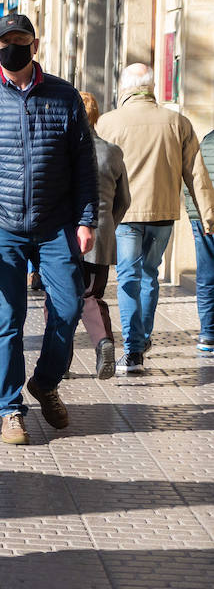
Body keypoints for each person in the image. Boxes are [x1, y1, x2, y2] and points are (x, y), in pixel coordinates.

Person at [0, 12, 97, 445]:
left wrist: (86, 219)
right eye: (6, 40)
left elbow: (84, 166)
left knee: (67, 311)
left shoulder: (64, 96)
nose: (14, 46)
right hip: (1, 226)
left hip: (56, 225)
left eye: (21, 39)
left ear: (35, 44)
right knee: (9, 318)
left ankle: (45, 382)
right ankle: (11, 409)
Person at [95, 63, 214, 374]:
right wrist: (208, 215)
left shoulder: (108, 123)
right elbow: (197, 174)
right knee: (150, 275)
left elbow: (94, 171)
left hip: (126, 215)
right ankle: (142, 338)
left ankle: (134, 350)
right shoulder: (177, 122)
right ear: (151, 87)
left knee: (128, 278)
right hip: (163, 213)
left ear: (124, 88)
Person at [78, 91, 130, 380]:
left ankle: (59, 362)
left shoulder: (63, 151)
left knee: (58, 301)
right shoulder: (112, 151)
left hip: (65, 238)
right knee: (92, 295)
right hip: (101, 237)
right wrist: (108, 225)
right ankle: (104, 342)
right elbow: (124, 200)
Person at [184, 124, 214, 353]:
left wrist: (194, 212)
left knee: (205, 276)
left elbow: (191, 176)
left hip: (201, 216)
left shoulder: (205, 141)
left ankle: (207, 335)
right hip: (204, 215)